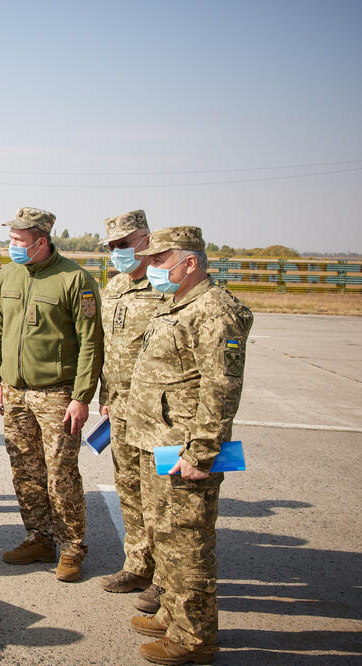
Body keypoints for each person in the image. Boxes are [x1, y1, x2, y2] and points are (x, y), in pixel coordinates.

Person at [124, 226, 252, 665]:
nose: (152, 267)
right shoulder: (176, 302)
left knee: (189, 545)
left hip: (184, 449)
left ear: (190, 262)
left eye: (160, 260)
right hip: (156, 442)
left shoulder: (216, 312)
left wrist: (202, 454)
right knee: (163, 536)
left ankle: (195, 640)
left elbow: (221, 388)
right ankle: (173, 615)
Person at [0, 206, 103, 582]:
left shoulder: (75, 279)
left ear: (41, 242)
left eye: (18, 240)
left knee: (60, 474)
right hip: (15, 392)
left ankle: (71, 548)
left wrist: (82, 396)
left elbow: (90, 342)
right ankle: (39, 537)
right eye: (11, 238)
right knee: (26, 470)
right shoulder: (7, 275)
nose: (12, 245)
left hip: (58, 394)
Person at [96, 210, 170, 612]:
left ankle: (165, 578)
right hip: (119, 406)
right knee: (129, 488)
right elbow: (110, 347)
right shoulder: (115, 287)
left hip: (158, 412)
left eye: (123, 244)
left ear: (146, 240)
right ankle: (138, 564)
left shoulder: (167, 287)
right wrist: (105, 396)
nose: (117, 253)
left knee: (162, 498)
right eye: (111, 247)